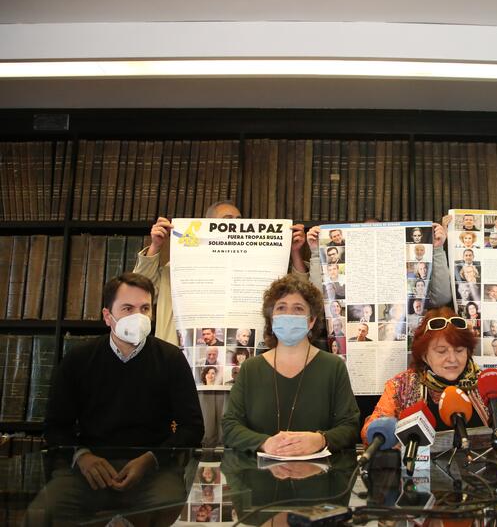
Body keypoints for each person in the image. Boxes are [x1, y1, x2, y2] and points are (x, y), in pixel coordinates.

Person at [134, 201, 309, 448]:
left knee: (238, 445)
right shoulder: (177, 269)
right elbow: (137, 291)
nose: (234, 226)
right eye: (227, 221)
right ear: (207, 226)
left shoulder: (261, 268)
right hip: (186, 373)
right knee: (189, 446)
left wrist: (295, 253)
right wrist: (156, 246)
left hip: (243, 376)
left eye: (239, 222)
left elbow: (301, 298)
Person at [35, 273, 203, 520]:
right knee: (43, 513)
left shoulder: (171, 359)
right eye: (127, 308)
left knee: (169, 507)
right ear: (107, 316)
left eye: (145, 308)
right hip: (91, 469)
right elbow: (55, 426)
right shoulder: (79, 359)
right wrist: (82, 457)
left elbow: (192, 427)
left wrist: (151, 459)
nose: (138, 317)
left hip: (154, 470)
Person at [222, 275, 360, 454]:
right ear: (271, 318)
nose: (288, 314)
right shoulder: (250, 369)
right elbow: (230, 426)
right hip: (258, 470)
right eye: (281, 308)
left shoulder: (333, 367)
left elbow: (350, 426)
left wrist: (321, 440)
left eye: (298, 308)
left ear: (311, 320)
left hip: (319, 470)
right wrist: (264, 443)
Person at [362, 307, 497, 452]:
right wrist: (390, 441)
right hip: (419, 475)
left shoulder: (484, 383)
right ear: (424, 355)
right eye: (441, 351)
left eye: (459, 350)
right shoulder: (401, 386)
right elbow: (370, 430)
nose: (452, 359)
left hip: (481, 473)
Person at [307, 222, 452, 308]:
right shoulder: (350, 276)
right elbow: (318, 300)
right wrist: (315, 252)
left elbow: (441, 299)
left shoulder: (400, 273)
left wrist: (437, 249)